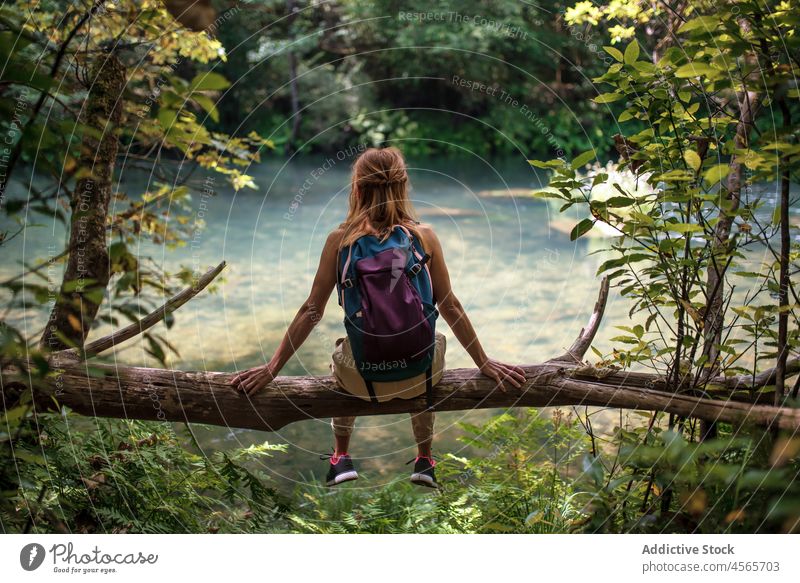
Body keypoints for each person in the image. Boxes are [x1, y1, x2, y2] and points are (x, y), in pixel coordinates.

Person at [230, 146, 525, 489]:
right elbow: (450, 306)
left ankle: (341, 457)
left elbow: (312, 311)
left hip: (362, 381)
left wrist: (272, 369)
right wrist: (484, 362)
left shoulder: (340, 241)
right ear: (403, 187)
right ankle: (425, 459)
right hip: (420, 376)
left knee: (344, 348)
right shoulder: (424, 237)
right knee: (428, 338)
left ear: (356, 189)